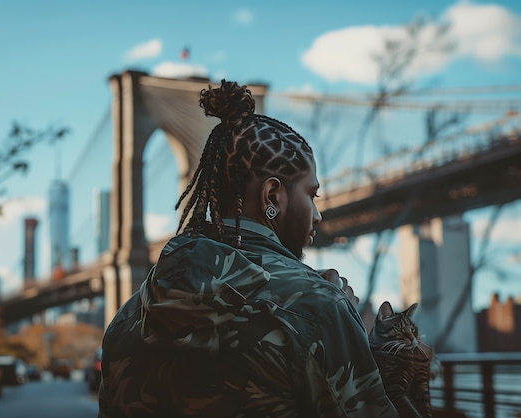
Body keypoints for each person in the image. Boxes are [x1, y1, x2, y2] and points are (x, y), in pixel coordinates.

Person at [98, 80, 398, 417]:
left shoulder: (128, 317)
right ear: (272, 197)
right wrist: (373, 349)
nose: (318, 214)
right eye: (311, 196)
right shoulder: (318, 308)